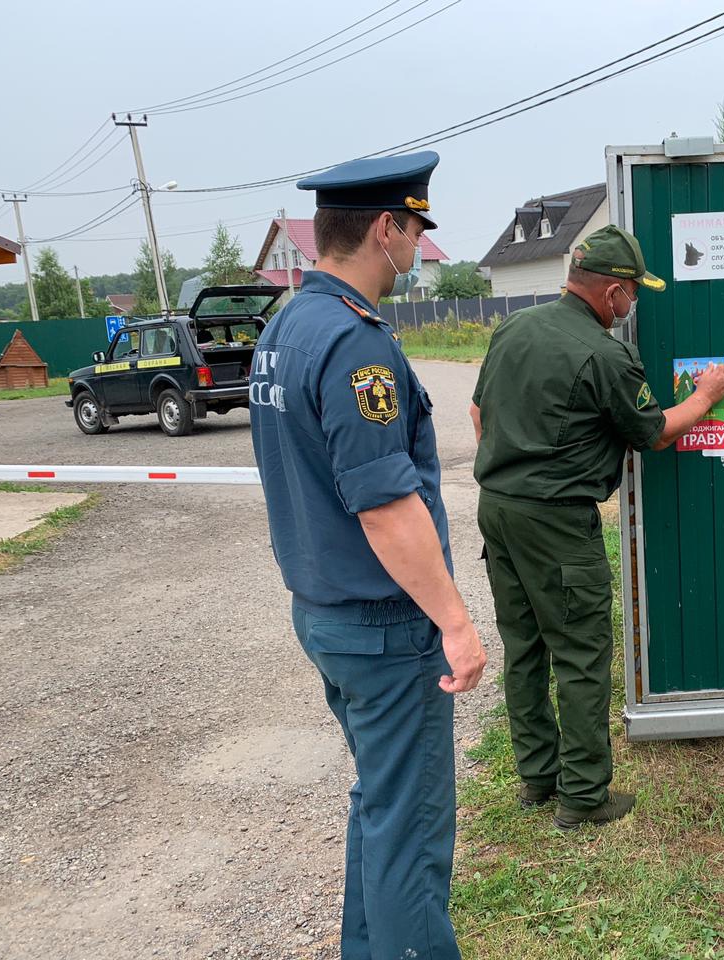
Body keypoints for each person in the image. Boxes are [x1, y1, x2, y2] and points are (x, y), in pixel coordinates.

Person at [249, 150, 487, 959]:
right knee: (412, 830)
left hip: (326, 615)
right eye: (415, 230)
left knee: (382, 806)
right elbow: (387, 508)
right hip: (384, 628)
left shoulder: (286, 324)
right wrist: (455, 622)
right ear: (385, 228)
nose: (418, 249)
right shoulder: (357, 345)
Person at [470, 225, 724, 830]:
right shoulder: (604, 354)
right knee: (582, 654)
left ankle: (538, 778)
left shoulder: (513, 328)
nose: (634, 304)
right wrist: (708, 394)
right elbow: (657, 432)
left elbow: (478, 411)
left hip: (499, 511)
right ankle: (584, 796)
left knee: (525, 647)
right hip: (557, 522)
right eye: (634, 293)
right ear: (612, 292)